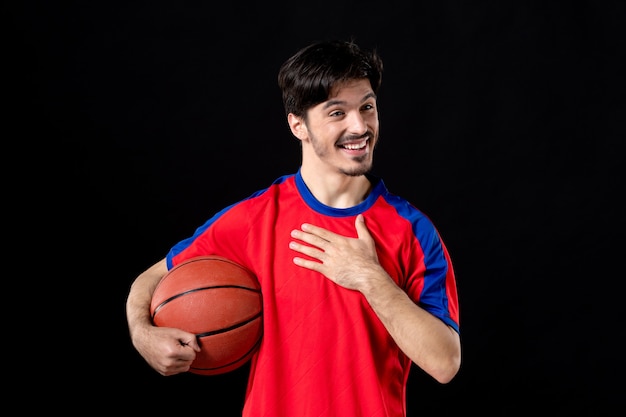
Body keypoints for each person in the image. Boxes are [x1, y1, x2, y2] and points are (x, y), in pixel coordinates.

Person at [126, 39, 461, 416]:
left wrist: (370, 278)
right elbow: (151, 278)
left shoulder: (412, 230)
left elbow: (445, 363)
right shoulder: (255, 218)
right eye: (337, 113)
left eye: (367, 107)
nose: (360, 126)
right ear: (297, 125)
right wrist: (142, 333)